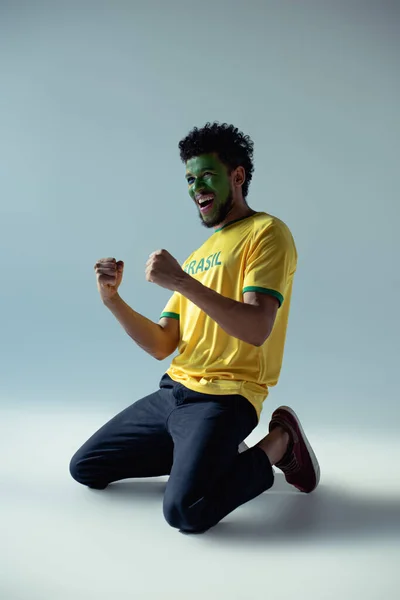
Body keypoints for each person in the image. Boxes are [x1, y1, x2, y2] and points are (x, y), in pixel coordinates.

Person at [69, 122, 320, 534]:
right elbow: (162, 344)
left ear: (237, 176)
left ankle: (279, 444)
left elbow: (258, 327)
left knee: (186, 511)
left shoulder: (267, 233)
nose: (196, 187)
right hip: (175, 392)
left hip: (225, 399)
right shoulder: (201, 253)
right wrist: (113, 300)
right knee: (87, 468)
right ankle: (206, 455)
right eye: (190, 178)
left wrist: (182, 281)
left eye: (206, 174)